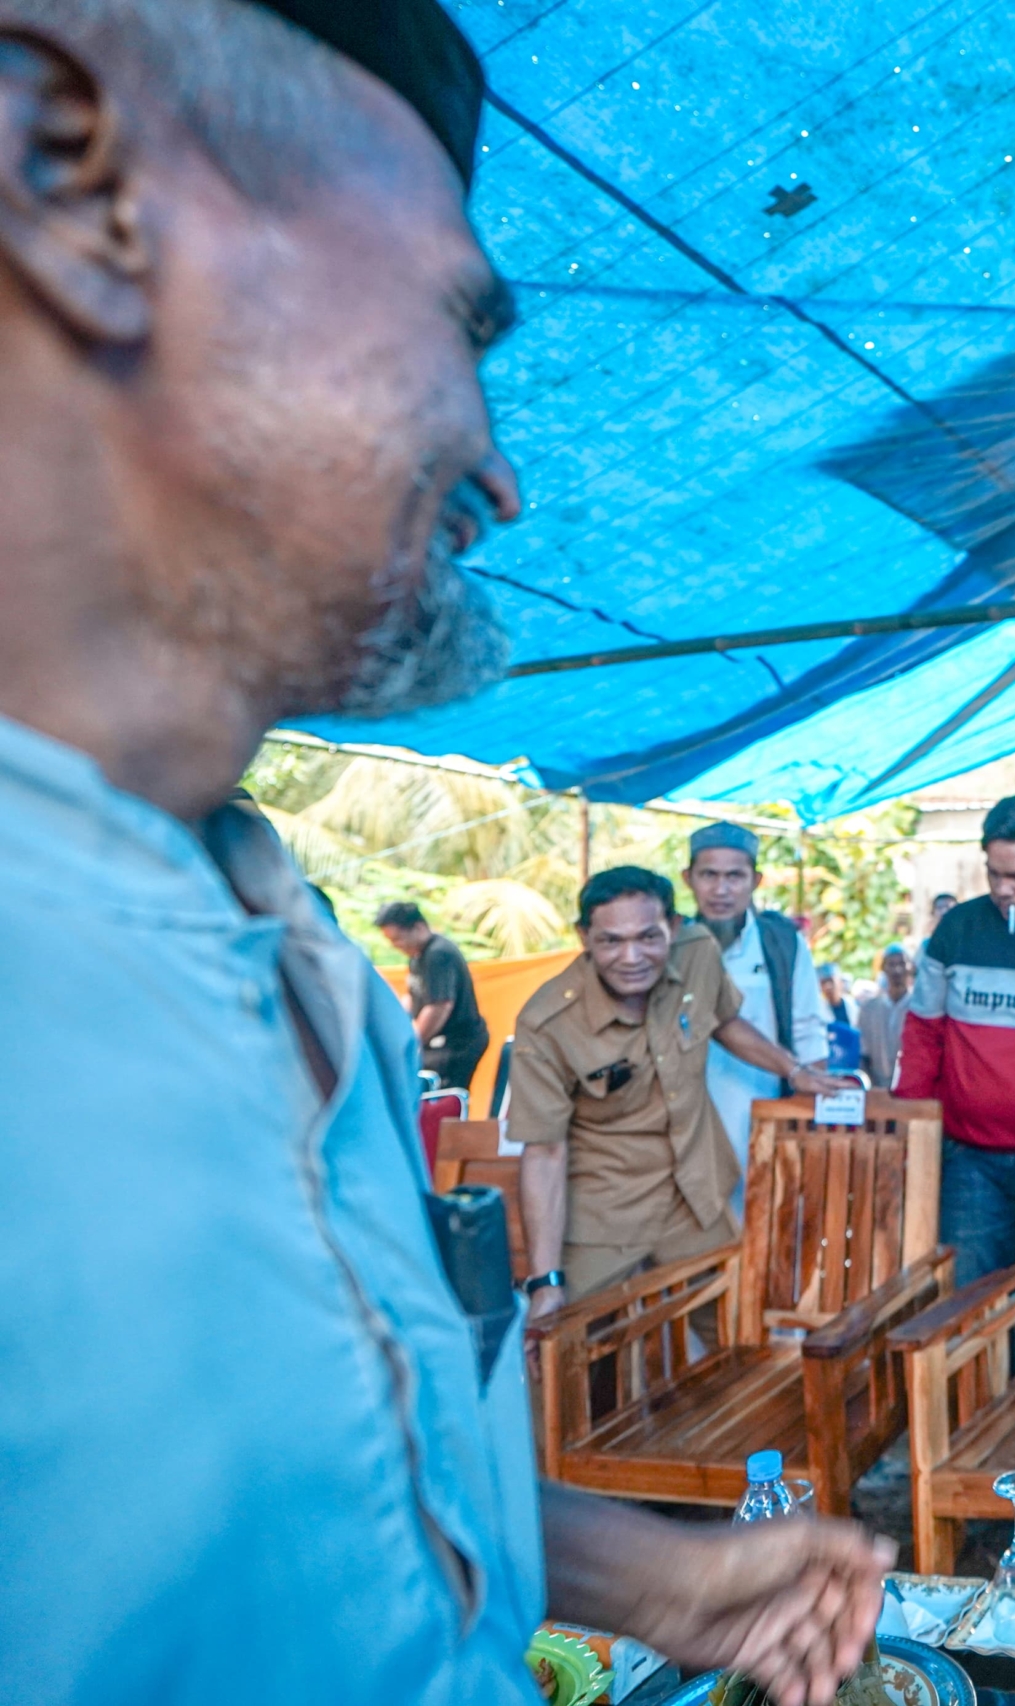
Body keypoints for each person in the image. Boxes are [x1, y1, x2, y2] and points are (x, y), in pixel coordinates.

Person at [0, 2, 891, 1696]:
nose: (499, 470)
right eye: (455, 322)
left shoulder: (292, 948)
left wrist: (642, 1575)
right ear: (68, 178)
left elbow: (282, 1476)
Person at [514, 867, 853, 1311]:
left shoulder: (697, 953)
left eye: (648, 938)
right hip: (604, 1210)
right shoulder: (547, 1024)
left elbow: (725, 1021)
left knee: (737, 1329)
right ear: (584, 937)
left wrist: (793, 1070)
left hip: (693, 1195)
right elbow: (544, 1152)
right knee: (572, 1348)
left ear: (674, 928)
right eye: (612, 941)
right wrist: (546, 1281)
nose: (632, 957)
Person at [894, 794, 1015, 1285]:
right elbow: (922, 1037)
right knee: (966, 1299)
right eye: (994, 874)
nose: (1004, 889)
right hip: (969, 1159)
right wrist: (910, 1126)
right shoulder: (956, 930)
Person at [681, 821, 829, 1182]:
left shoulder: (782, 944)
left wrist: (809, 1115)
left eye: (735, 876)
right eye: (709, 875)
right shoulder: (671, 945)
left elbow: (808, 1031)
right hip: (686, 1128)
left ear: (755, 881)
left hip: (765, 1118)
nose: (721, 889)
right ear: (688, 879)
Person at [375, 898, 489, 1093]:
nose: (396, 946)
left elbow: (440, 1006)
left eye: (398, 939)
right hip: (435, 1042)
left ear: (418, 928)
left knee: (440, 1097)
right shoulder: (417, 956)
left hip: (456, 1044)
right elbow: (412, 996)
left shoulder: (439, 954)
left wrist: (413, 1040)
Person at [857, 944, 912, 1090]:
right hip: (877, 1086)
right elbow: (863, 1054)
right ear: (883, 968)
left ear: (910, 967)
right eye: (891, 964)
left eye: (902, 964)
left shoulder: (919, 1008)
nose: (897, 970)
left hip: (910, 1087)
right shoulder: (869, 1008)